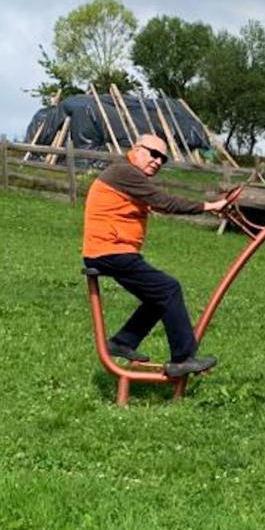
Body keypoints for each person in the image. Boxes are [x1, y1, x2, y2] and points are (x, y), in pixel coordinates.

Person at [82, 133, 228, 377]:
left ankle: (123, 342)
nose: (158, 161)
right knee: (169, 289)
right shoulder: (125, 172)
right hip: (109, 250)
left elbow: (162, 204)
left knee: (158, 297)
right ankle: (182, 358)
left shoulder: (130, 176)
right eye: (154, 154)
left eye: (163, 158)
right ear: (137, 149)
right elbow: (164, 202)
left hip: (111, 250)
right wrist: (208, 206)